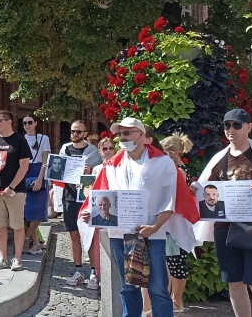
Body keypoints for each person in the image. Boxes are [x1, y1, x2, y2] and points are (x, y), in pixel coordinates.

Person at [79, 117, 199, 317]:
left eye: (127, 133)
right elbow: (102, 194)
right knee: (128, 288)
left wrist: (154, 226)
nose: (122, 137)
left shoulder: (163, 163)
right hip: (120, 234)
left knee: (158, 288)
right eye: (119, 134)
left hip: (153, 234)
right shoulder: (111, 165)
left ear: (142, 135)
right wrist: (89, 213)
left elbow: (171, 200)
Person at [192, 108, 252, 317]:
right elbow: (205, 187)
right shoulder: (219, 157)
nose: (231, 130)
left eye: (236, 125)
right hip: (224, 228)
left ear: (249, 127)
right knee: (234, 283)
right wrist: (195, 190)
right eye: (227, 125)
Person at [0, 110, 32, 272]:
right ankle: (3, 257)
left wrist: (11, 187)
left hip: (15, 192)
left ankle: (17, 258)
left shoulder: (19, 141)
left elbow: (24, 166)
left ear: (9, 122)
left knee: (17, 226)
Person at [60, 120, 103, 288]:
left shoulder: (92, 151)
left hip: (86, 197)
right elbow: (60, 171)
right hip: (70, 195)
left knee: (91, 235)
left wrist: (89, 171)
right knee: (74, 234)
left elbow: (97, 174)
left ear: (85, 133)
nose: (75, 134)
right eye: (72, 131)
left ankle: (94, 271)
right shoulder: (65, 149)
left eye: (78, 131)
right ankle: (78, 270)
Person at [160, 132, 195, 313]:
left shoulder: (179, 170)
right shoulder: (177, 169)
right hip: (172, 221)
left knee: (175, 260)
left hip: (175, 222)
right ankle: (174, 299)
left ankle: (177, 300)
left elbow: (178, 196)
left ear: (174, 153)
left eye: (166, 152)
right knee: (171, 260)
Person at [88, 136, 117, 290]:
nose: (108, 151)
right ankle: (100, 276)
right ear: (99, 151)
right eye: (104, 148)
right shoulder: (97, 169)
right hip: (100, 209)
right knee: (99, 242)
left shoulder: (119, 167)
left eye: (110, 148)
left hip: (115, 208)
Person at [21, 115, 51, 256]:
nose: (27, 125)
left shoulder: (43, 139)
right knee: (27, 212)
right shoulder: (21, 139)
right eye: (25, 123)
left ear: (35, 123)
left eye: (30, 122)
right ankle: (36, 244)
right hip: (25, 172)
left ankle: (26, 238)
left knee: (38, 210)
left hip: (39, 172)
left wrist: (40, 179)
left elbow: (46, 160)